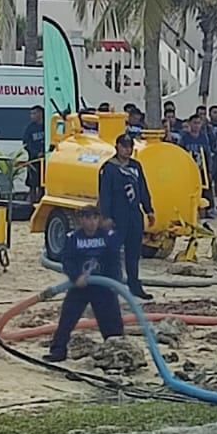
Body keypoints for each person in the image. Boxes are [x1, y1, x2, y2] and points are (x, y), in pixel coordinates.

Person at [45, 205, 126, 362]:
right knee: (67, 318)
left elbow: (114, 261)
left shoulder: (107, 237)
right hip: (79, 287)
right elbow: (67, 260)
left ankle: (118, 352)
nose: (92, 222)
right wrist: (76, 277)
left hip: (103, 287)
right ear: (81, 220)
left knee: (112, 321)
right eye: (88, 218)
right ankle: (58, 351)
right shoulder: (73, 238)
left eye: (95, 218)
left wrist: (113, 281)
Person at [98, 132, 154, 299]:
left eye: (130, 147)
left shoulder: (136, 166)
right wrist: (106, 216)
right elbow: (104, 194)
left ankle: (134, 285)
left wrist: (149, 209)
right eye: (124, 146)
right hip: (117, 215)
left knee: (134, 252)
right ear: (117, 147)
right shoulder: (109, 168)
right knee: (112, 252)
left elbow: (143, 188)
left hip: (134, 215)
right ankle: (110, 285)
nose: (127, 150)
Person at [23, 106, 48, 202]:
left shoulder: (47, 126)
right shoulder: (30, 128)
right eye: (31, 114)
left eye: (34, 113)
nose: (32, 116)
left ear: (40, 114)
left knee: (42, 185)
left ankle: (41, 201)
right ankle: (31, 204)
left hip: (46, 161)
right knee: (32, 185)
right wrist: (36, 153)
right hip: (34, 161)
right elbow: (26, 144)